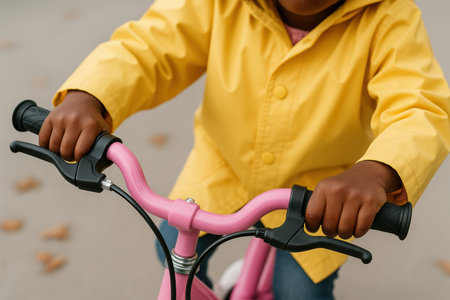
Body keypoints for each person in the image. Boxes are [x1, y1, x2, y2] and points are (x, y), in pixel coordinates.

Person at [38, 0, 450, 299]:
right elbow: (149, 48)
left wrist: (377, 171)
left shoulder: (390, 17)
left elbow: (418, 107)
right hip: (224, 164)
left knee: (300, 292)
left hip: (323, 189)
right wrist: (90, 97)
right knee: (172, 249)